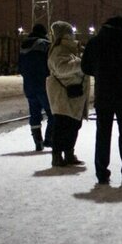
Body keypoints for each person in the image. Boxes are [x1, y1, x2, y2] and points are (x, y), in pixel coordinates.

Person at [80, 16, 122, 185]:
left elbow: (85, 67)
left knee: (102, 135)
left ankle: (102, 173)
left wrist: (101, 72)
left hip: (103, 94)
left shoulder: (94, 43)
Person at [46, 21, 89, 167]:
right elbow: (61, 69)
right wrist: (81, 64)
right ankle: (57, 156)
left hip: (72, 93)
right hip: (63, 94)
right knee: (62, 126)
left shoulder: (70, 48)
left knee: (74, 125)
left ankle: (69, 153)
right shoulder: (59, 50)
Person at [17, 22, 54, 151]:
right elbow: (50, 65)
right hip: (43, 84)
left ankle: (38, 142)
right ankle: (49, 139)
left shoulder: (23, 46)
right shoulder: (45, 45)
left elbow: (20, 68)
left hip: (28, 85)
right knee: (52, 113)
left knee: (34, 114)